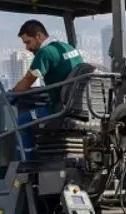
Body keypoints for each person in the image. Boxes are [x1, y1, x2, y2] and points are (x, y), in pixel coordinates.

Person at [11, 19, 84, 158]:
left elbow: (27, 82)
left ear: (38, 36)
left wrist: (11, 94)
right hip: (78, 106)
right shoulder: (68, 48)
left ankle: (26, 166)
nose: (27, 48)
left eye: (28, 42)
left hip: (59, 109)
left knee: (21, 123)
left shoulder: (45, 53)